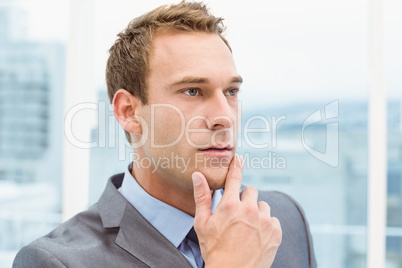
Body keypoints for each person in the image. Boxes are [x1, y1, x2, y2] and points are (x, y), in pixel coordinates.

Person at [13, 1, 316, 267]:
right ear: (128, 112)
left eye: (232, 91)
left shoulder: (284, 220)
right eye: (193, 91)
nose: (224, 117)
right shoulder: (55, 262)